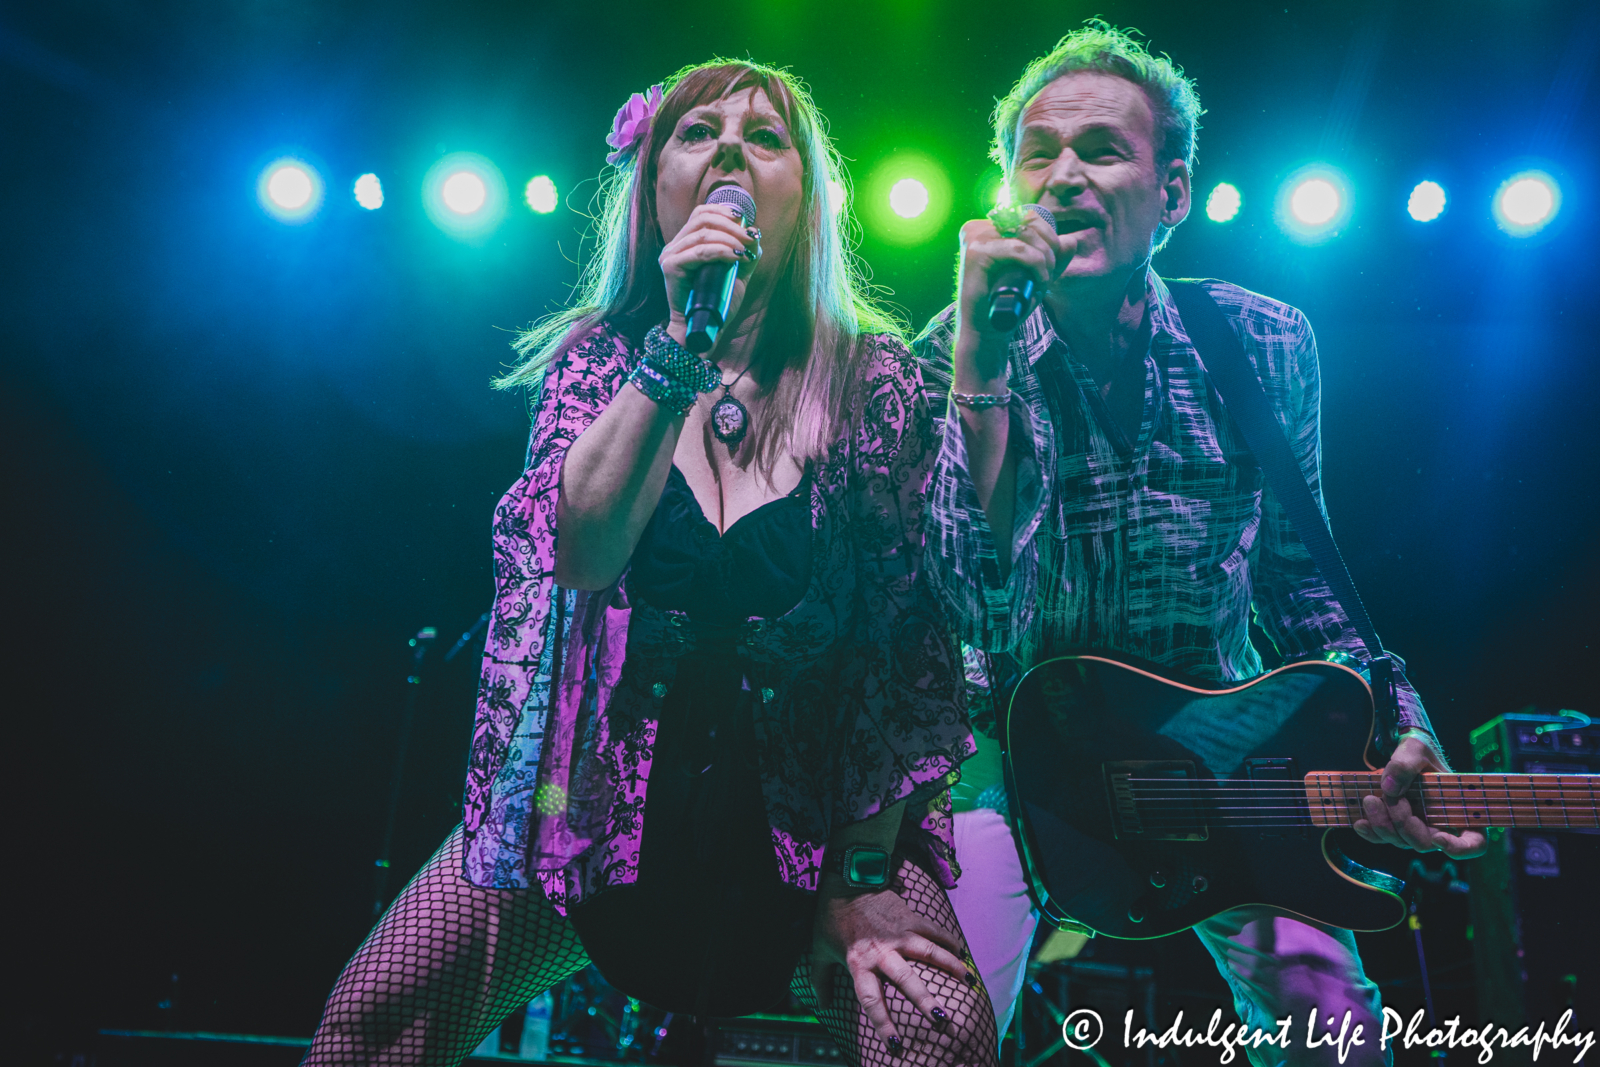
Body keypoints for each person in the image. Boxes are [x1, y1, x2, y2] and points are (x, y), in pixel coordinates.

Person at [302, 59, 999, 1067]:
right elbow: (580, 552)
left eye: (765, 139)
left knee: (941, 1040)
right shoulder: (596, 362)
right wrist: (679, 339)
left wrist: (858, 874)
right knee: (366, 1030)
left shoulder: (873, 379)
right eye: (697, 132)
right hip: (586, 816)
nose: (728, 150)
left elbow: (911, 653)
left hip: (809, 832)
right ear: (654, 186)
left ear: (805, 197)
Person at [915, 22, 1487, 1060]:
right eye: (1035, 153)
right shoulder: (951, 357)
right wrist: (979, 361)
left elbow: (1302, 581)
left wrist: (1398, 716)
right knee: (932, 1034)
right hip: (1006, 746)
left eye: (1099, 150)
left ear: (1170, 194)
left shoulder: (1261, 342)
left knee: (1335, 1032)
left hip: (1219, 749)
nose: (1062, 177)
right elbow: (956, 592)